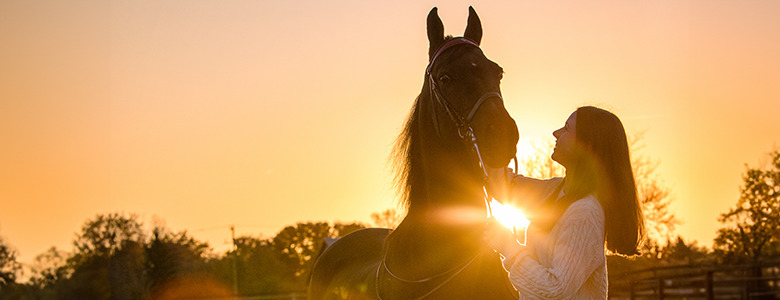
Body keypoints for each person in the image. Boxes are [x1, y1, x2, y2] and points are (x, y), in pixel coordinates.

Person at [484, 106, 644, 299]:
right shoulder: (557, 191)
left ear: (587, 146)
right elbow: (502, 185)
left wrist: (508, 246)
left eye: (567, 129)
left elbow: (555, 291)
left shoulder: (584, 212)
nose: (556, 133)